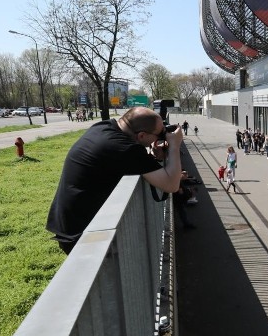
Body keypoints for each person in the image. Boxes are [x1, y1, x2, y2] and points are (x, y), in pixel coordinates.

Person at [46, 107, 183, 254]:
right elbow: (172, 185)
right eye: (159, 134)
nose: (162, 137)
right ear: (142, 135)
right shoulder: (125, 149)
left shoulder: (104, 127)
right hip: (83, 234)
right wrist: (174, 145)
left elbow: (124, 159)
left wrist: (157, 156)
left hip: (69, 221)